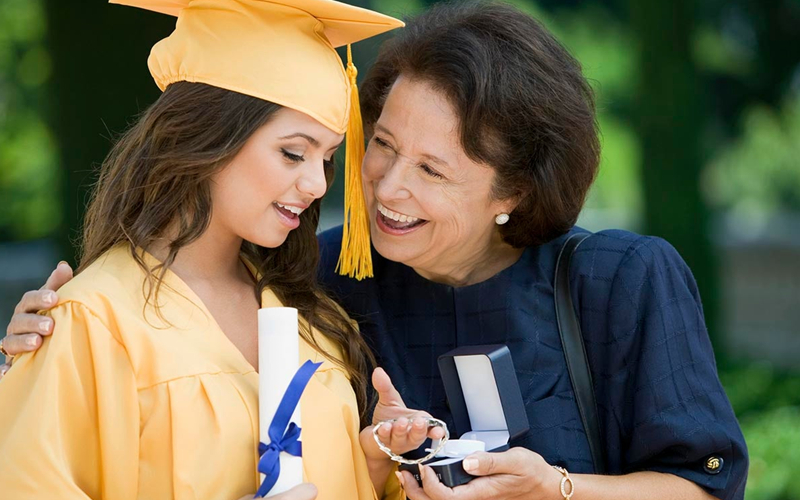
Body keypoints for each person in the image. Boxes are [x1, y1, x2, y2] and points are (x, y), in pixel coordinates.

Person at [3, 2, 749, 500]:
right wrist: (41, 347)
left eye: (432, 169)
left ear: (512, 192)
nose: (378, 189)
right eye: (379, 147)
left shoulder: (611, 282)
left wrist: (549, 485)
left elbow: (707, 483)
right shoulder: (319, 288)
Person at [0, 1, 444, 499]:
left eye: (328, 158)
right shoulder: (93, 321)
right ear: (207, 136)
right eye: (293, 153)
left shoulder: (305, 313)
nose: (318, 183)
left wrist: (371, 466)